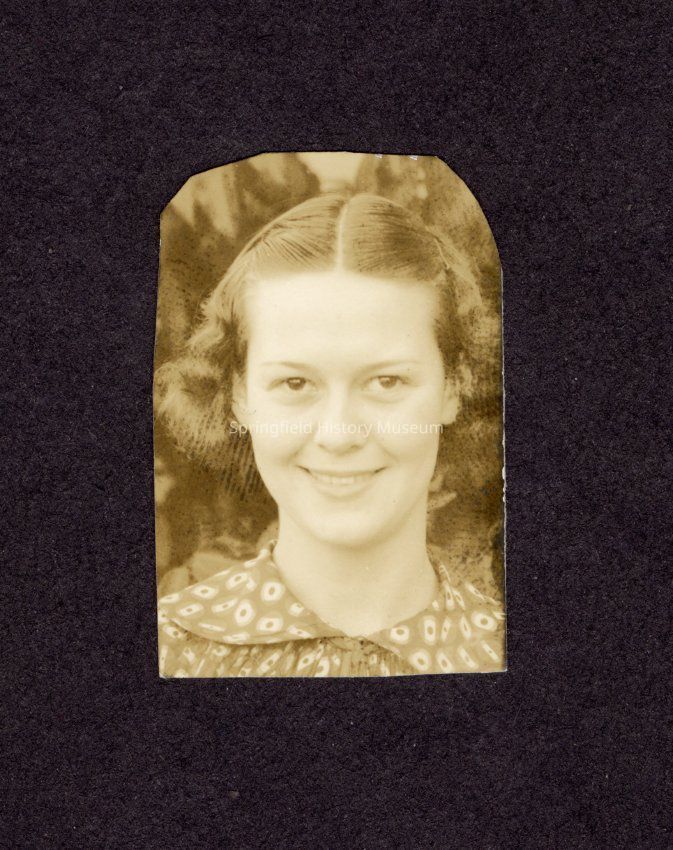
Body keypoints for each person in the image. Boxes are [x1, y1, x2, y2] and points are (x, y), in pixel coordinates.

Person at [155, 192, 505, 677]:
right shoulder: (169, 651)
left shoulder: (506, 654)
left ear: (454, 386)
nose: (339, 435)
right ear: (239, 394)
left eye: (387, 381)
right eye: (295, 383)